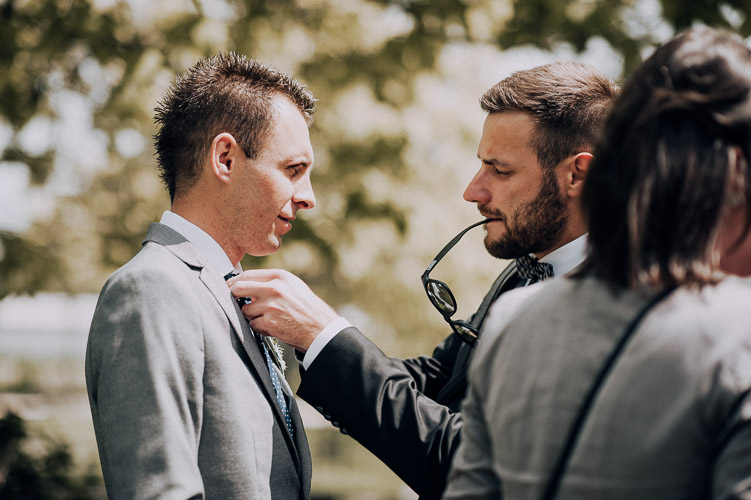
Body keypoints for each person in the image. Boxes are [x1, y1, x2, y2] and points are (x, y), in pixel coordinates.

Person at [227, 62, 617, 498]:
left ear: (577, 174)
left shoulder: (616, 311)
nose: (473, 191)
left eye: (500, 170)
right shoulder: (522, 275)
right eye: (480, 166)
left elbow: (474, 464)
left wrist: (326, 334)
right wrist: (302, 350)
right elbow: (437, 379)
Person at [444, 26, 751, 499]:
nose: (473, 191)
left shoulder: (512, 318)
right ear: (734, 171)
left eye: (499, 169)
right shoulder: (738, 335)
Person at [85, 53, 317, 499]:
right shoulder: (151, 290)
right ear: (225, 158)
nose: (308, 197)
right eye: (293, 170)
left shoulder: (225, 291)